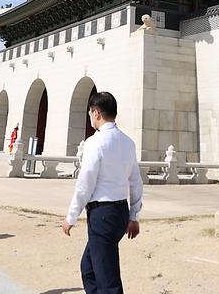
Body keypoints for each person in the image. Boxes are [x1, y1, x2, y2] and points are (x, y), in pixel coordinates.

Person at [62, 91, 143, 294]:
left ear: (96, 113)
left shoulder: (95, 142)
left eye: (90, 112)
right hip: (120, 213)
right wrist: (133, 216)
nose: (90, 116)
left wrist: (71, 216)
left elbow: (85, 184)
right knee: (89, 268)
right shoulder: (128, 142)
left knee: (108, 281)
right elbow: (136, 182)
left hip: (102, 214)